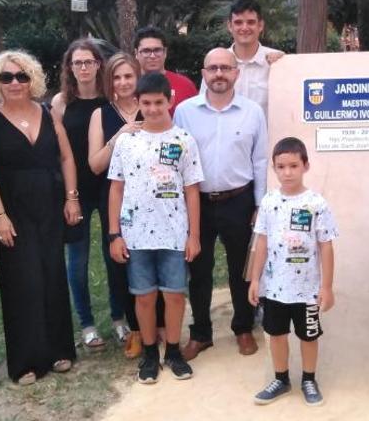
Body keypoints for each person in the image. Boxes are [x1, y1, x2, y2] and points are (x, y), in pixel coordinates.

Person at [0, 50, 80, 386]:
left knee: (52, 276)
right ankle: (27, 361)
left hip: (51, 207)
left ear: (32, 79)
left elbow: (66, 158)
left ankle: (60, 350)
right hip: (14, 211)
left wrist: (71, 198)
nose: (15, 83)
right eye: (6, 77)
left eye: (21, 76)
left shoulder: (49, 113)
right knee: (23, 282)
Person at [107, 72, 203, 384]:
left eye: (158, 102)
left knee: (175, 295)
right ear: (137, 103)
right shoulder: (127, 141)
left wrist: (194, 235)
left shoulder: (184, 140)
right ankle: (150, 353)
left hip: (174, 234)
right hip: (135, 235)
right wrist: (114, 234)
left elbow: (191, 189)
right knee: (144, 297)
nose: (152, 109)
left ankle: (173, 351)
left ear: (170, 101)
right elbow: (116, 189)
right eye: (145, 103)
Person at [175, 48, 268, 360]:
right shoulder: (185, 112)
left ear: (235, 74)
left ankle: (242, 327)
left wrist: (259, 205)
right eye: (212, 68)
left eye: (225, 69)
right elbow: (177, 161)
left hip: (238, 200)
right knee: (198, 269)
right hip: (197, 201)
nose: (219, 74)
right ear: (203, 73)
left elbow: (260, 160)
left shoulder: (252, 112)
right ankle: (201, 333)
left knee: (240, 269)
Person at [247, 137, 338, 406]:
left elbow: (326, 246)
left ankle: (309, 379)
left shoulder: (316, 204)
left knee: (308, 336)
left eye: (293, 166)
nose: (287, 172)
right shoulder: (268, 202)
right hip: (275, 287)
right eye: (281, 166)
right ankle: (281, 379)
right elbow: (261, 242)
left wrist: (327, 287)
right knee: (276, 334)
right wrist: (255, 279)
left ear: (305, 166)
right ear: (274, 168)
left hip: (308, 289)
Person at [50, 39, 116, 351]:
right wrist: (69, 196)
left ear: (99, 64)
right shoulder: (61, 104)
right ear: (70, 68)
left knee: (113, 255)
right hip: (75, 192)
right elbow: (58, 154)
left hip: (108, 190)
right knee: (77, 260)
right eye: (77, 63)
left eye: (89, 61)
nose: (84, 68)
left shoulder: (110, 100)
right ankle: (87, 324)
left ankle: (119, 318)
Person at [88, 53, 145, 358]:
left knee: (152, 259)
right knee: (120, 264)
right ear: (109, 81)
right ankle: (134, 330)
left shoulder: (152, 105)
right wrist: (118, 137)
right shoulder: (101, 113)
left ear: (137, 77)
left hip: (151, 200)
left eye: (128, 76)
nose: (123, 83)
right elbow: (95, 164)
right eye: (117, 77)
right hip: (114, 198)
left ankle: (157, 326)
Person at [197, 0, 285, 115]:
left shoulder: (277, 62)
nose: (244, 28)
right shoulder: (215, 62)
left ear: (260, 25)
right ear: (229, 26)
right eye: (238, 22)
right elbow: (204, 106)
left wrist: (285, 64)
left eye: (251, 22)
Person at [133, 26, 197, 116]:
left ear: (165, 52)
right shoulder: (128, 86)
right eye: (146, 51)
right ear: (136, 53)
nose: (152, 56)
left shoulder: (185, 85)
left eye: (157, 50)